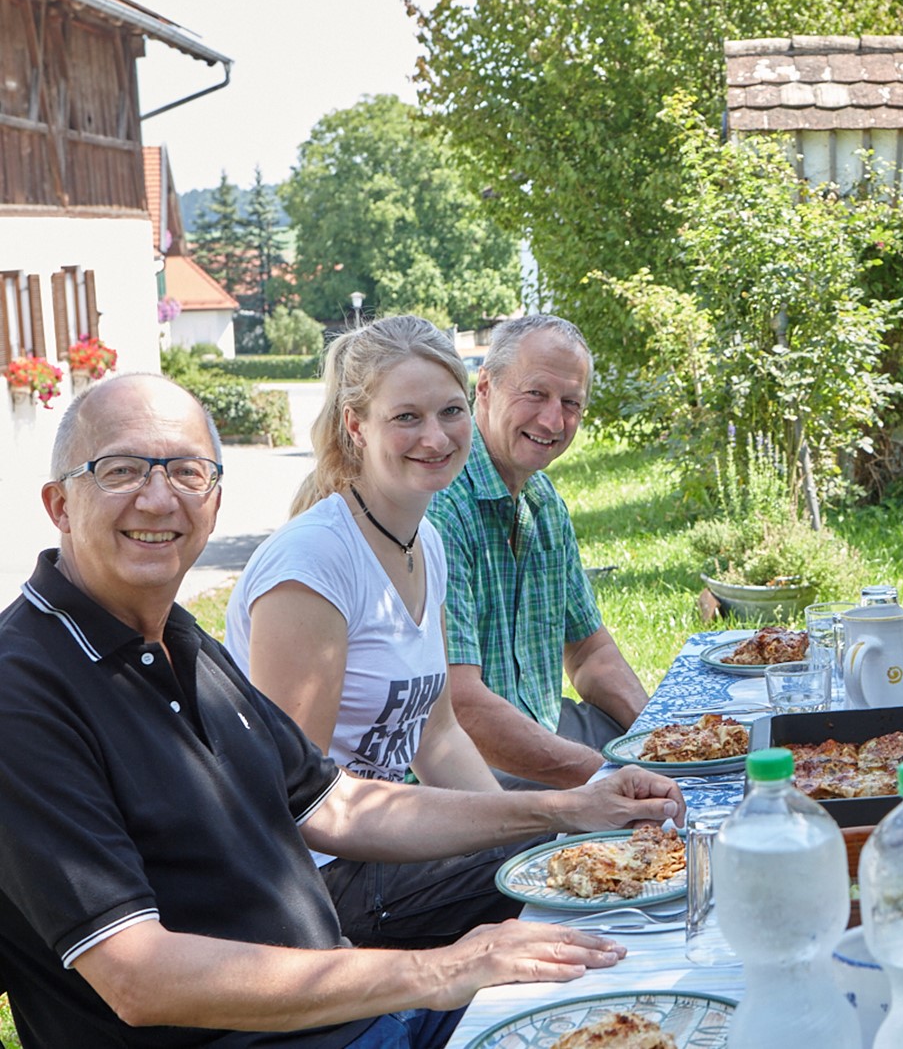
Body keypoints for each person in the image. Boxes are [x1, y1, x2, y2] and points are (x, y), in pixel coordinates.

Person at [0, 373, 684, 1048]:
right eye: (121, 471)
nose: (158, 499)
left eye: (186, 471)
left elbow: (340, 808)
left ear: (213, 500)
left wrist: (565, 808)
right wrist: (445, 968)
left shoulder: (180, 641)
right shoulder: (25, 690)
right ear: (59, 503)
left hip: (351, 1017)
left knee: (645, 991)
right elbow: (137, 979)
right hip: (297, 1035)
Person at [226, 316, 635, 948]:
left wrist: (526, 823)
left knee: (590, 854)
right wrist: (547, 813)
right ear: (356, 425)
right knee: (576, 880)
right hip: (316, 887)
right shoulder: (312, 564)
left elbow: (438, 735)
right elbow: (298, 806)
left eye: (449, 412)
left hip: (393, 841)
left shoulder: (427, 544)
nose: (436, 437)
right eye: (407, 418)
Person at [428, 315, 648, 789]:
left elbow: (590, 653)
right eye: (536, 394)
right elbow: (459, 706)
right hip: (465, 769)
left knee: (673, 755)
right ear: (484, 387)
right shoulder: (442, 507)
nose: (553, 420)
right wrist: (608, 776)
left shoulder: (543, 503)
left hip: (542, 732)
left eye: (571, 403)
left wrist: (658, 739)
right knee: (645, 818)